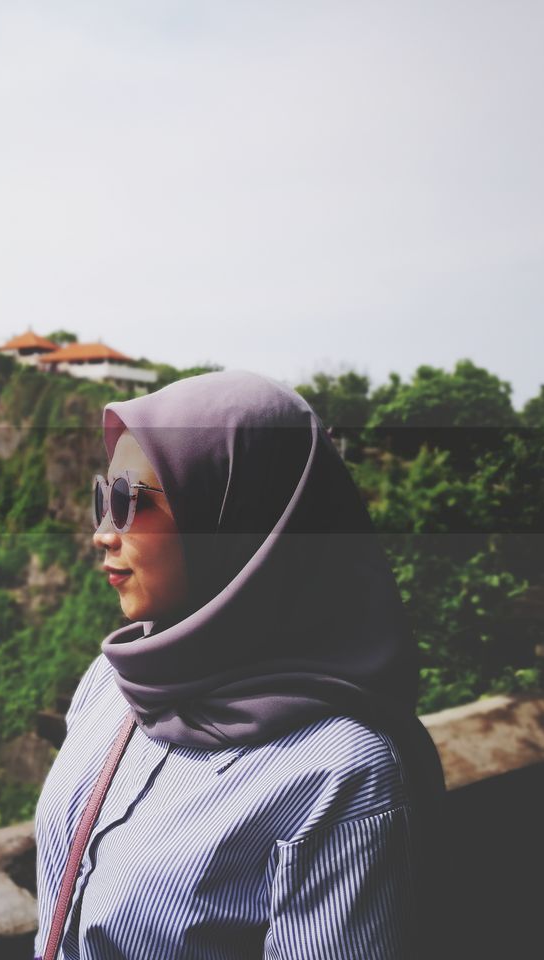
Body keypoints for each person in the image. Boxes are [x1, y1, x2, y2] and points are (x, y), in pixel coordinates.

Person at [33, 370, 446, 960]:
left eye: (131, 501)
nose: (103, 532)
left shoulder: (341, 776)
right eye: (104, 497)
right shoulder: (114, 685)